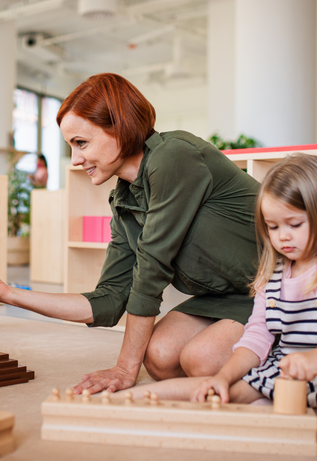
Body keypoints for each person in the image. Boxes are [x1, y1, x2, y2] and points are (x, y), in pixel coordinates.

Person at [0, 73, 260, 394]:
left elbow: (151, 273)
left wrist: (124, 368)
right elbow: (109, 300)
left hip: (281, 289)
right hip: (228, 297)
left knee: (202, 359)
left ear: (119, 128)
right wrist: (9, 294)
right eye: (71, 146)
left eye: (81, 143)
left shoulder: (174, 156)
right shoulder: (124, 199)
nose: (75, 160)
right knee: (159, 357)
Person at [122, 154, 317, 405]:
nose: (283, 237)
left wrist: (311, 360)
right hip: (286, 371)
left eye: (294, 224)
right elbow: (257, 337)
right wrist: (224, 377)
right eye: (274, 227)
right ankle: (122, 397)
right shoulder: (272, 277)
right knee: (220, 394)